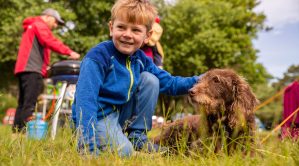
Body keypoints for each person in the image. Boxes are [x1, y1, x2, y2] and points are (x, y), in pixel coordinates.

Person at [72, 0, 200, 157]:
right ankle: (112, 142)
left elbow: (170, 83)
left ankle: (137, 137)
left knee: (151, 79)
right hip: (98, 117)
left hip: (120, 115)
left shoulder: (141, 59)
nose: (127, 34)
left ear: (147, 36)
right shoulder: (98, 57)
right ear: (111, 28)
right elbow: (85, 100)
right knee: (124, 152)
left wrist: (200, 80)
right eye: (121, 27)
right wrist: (87, 144)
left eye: (135, 30)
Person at [13, 8, 80, 133]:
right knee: (30, 103)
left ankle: (16, 133)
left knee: (23, 102)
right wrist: (69, 51)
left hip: (24, 68)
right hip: (32, 69)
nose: (55, 26)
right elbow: (49, 40)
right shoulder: (39, 25)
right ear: (48, 16)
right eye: (55, 22)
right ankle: (24, 134)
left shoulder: (32, 26)